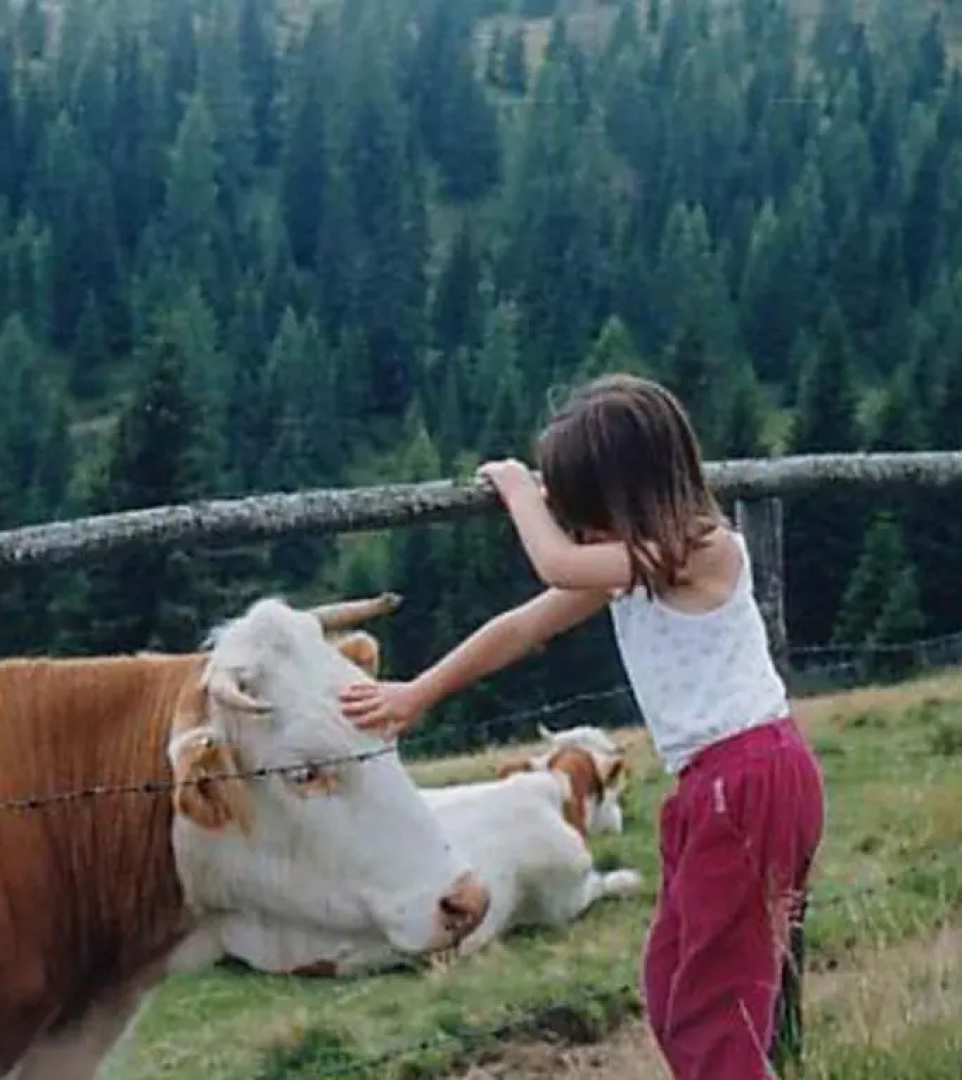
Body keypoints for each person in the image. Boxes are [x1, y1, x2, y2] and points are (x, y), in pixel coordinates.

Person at [340, 373, 826, 1080]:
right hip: (712, 787)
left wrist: (517, 489)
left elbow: (556, 563)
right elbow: (522, 626)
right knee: (672, 987)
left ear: (629, 494)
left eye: (582, 510)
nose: (576, 530)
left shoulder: (699, 550)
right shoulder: (635, 566)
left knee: (713, 1010)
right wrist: (419, 692)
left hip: (747, 781)